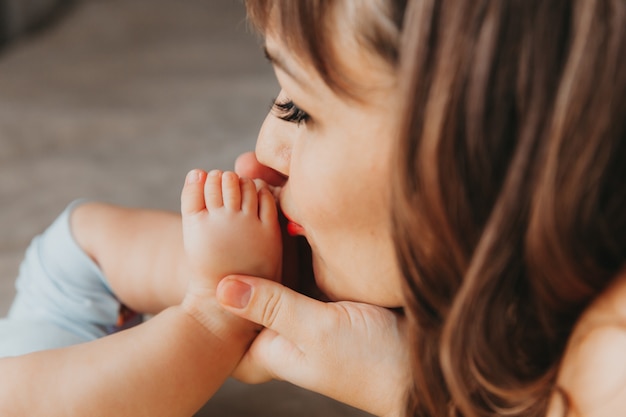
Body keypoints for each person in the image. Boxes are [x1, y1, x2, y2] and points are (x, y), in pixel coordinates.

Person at [1, 0, 625, 416]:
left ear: (474, 146)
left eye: (299, 109)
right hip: (80, 277)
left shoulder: (608, 348)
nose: (262, 157)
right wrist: (216, 316)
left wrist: (405, 387)